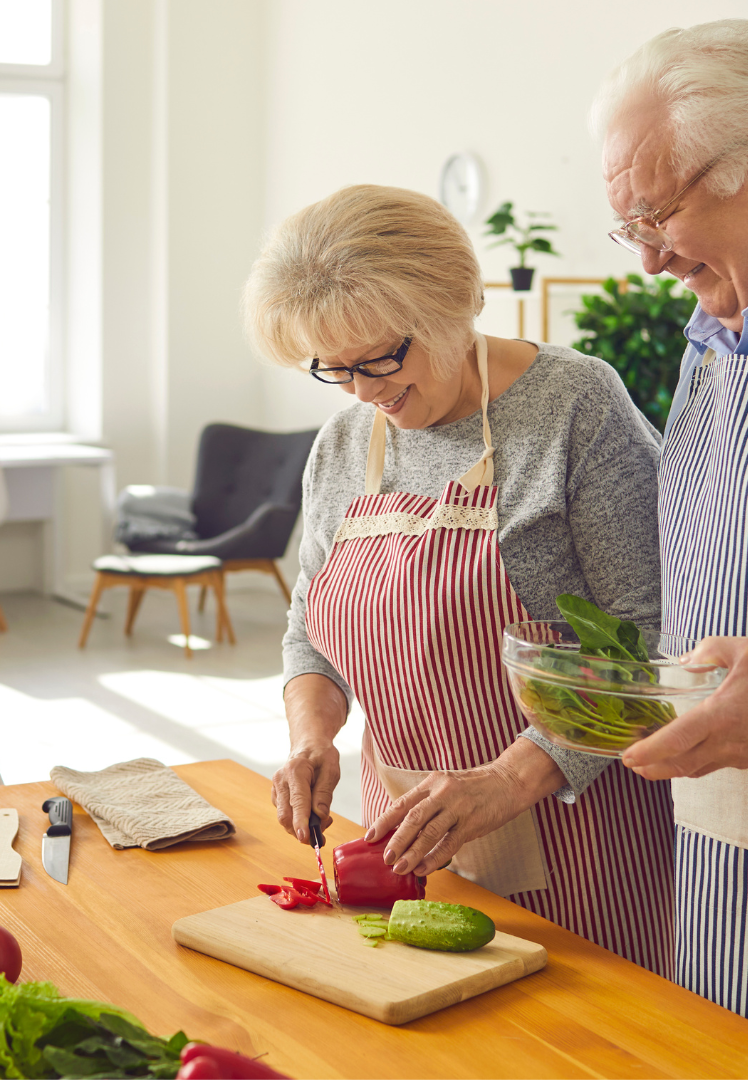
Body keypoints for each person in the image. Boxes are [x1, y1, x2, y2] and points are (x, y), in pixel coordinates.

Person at [243, 184, 676, 975]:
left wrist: (507, 781)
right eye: (334, 370)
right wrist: (313, 736)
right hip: (409, 846)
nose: (365, 392)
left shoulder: (575, 407)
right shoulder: (343, 444)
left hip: (579, 839)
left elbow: (648, 642)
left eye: (380, 358)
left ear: (454, 303)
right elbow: (313, 626)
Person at [594, 19, 748, 1014]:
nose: (647, 261)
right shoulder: (709, 335)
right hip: (721, 835)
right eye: (628, 225)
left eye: (657, 214)